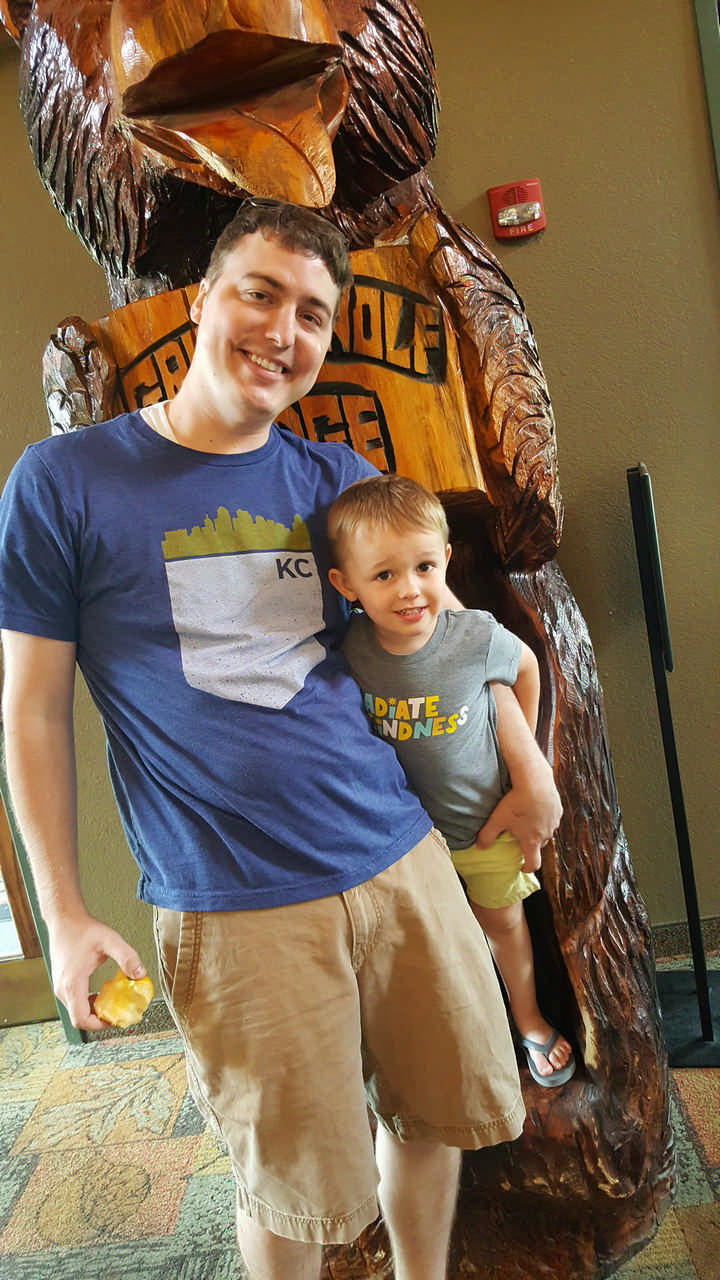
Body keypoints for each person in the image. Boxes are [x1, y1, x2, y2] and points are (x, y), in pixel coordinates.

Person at [0, 199, 562, 1280]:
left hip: (399, 856)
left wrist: (530, 764)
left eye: (312, 313)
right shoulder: (62, 482)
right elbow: (30, 707)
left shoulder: (336, 481)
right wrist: (62, 912)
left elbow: (452, 650)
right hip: (232, 897)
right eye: (259, 294)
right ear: (201, 303)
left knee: (434, 1115)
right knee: (292, 1188)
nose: (282, 331)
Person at [327, 473, 574, 1088]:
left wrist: (527, 756)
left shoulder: (474, 635)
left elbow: (526, 668)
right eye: (384, 575)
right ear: (346, 584)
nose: (409, 589)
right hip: (410, 842)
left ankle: (529, 1020)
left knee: (505, 929)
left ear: (444, 560)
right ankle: (464, 1039)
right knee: (433, 948)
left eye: (424, 567)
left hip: (485, 828)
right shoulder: (351, 650)